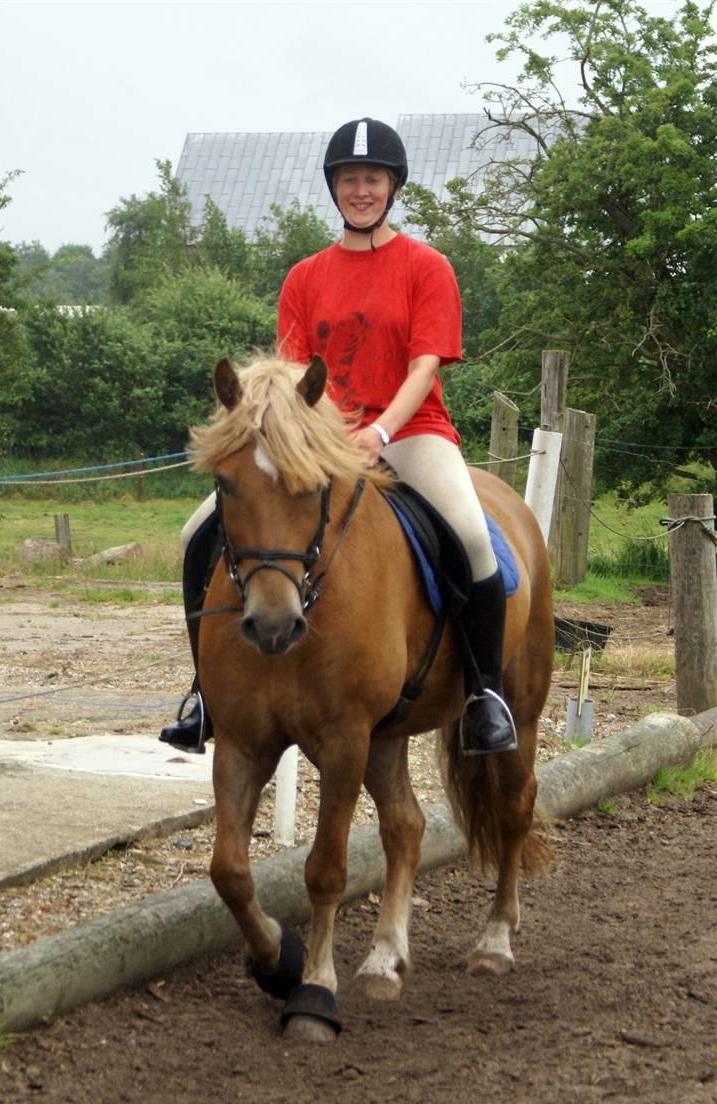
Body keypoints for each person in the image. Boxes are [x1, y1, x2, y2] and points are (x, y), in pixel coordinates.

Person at [160, 116, 516, 756]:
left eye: (372, 179)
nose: (361, 190)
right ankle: (204, 695)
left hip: (410, 431)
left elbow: (425, 365)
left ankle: (484, 695)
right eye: (350, 180)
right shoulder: (304, 276)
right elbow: (290, 380)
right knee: (195, 535)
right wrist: (306, 439)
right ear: (334, 188)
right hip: (316, 446)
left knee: (470, 535)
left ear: (392, 186)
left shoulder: (427, 266)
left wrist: (379, 430)